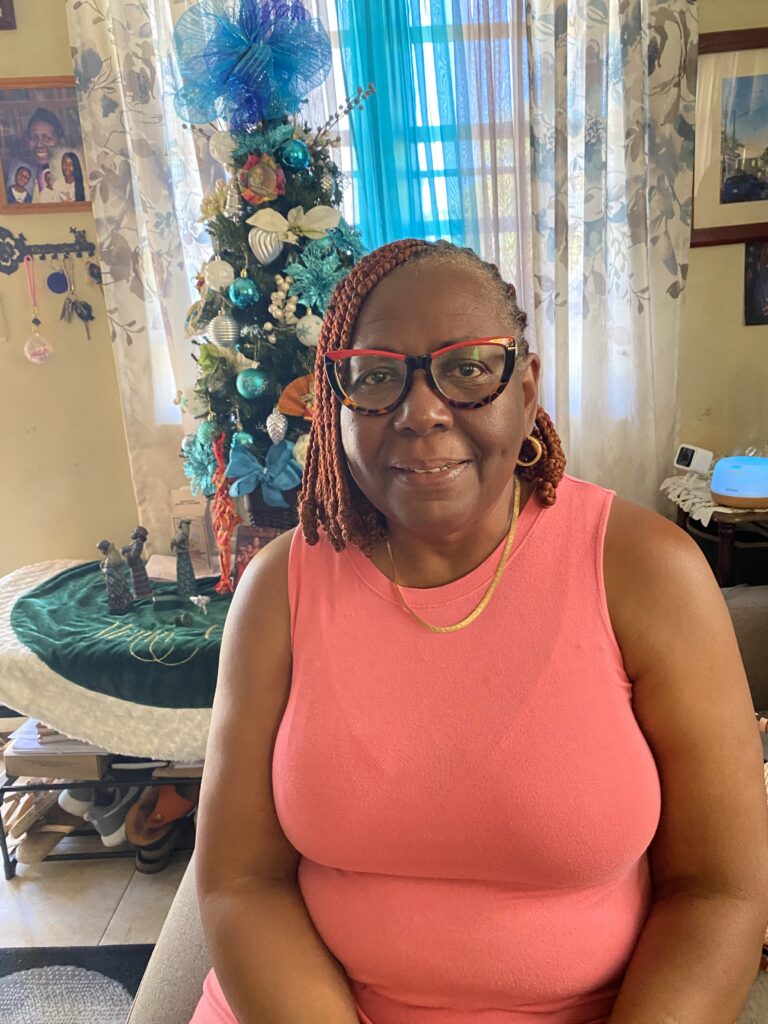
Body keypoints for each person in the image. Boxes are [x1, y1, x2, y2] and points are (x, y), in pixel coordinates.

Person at [189, 239, 768, 1024]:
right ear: (336, 402)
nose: (421, 411)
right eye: (377, 376)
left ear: (525, 391)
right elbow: (239, 881)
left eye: (466, 368)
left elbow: (720, 890)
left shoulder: (648, 573)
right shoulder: (279, 589)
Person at [23, 106, 64, 199]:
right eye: (33, 138)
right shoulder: (22, 176)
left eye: (47, 138)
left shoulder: (71, 174)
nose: (39, 144)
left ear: (60, 142)